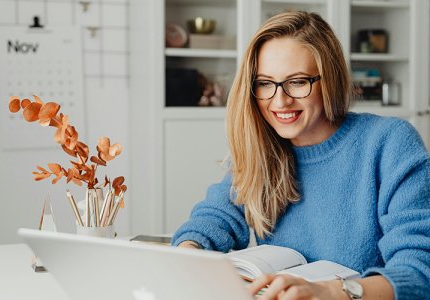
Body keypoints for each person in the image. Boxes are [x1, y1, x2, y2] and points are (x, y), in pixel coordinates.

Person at [171, 11, 430, 300]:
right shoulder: (261, 145)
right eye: (265, 83)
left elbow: (419, 272)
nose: (279, 101)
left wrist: (334, 292)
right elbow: (213, 218)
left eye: (297, 82)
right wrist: (188, 256)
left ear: (329, 80)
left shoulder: (389, 142)